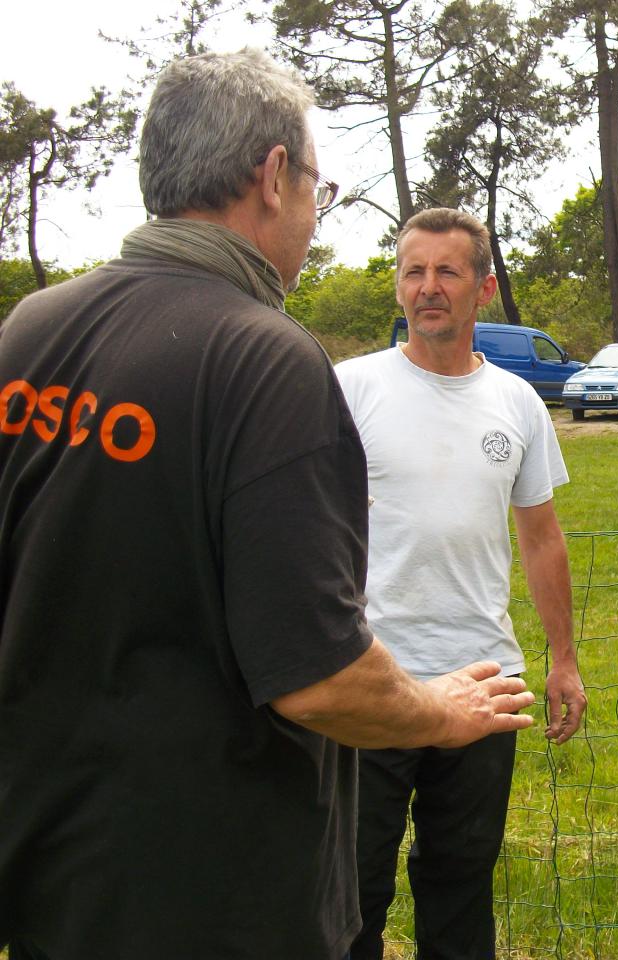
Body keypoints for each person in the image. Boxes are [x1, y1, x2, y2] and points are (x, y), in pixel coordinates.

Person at [0, 51, 535, 960]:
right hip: (213, 890)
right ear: (274, 175)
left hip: (48, 864)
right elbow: (317, 677)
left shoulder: (32, 329)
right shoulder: (264, 358)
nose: (315, 213)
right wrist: (439, 711)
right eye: (318, 186)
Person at [335, 207, 587, 960]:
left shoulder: (517, 401)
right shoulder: (349, 388)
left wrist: (564, 659)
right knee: (351, 891)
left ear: (484, 287)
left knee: (461, 882)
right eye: (414, 271)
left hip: (484, 682)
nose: (428, 287)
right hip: (371, 680)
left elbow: (541, 537)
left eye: (447, 271)